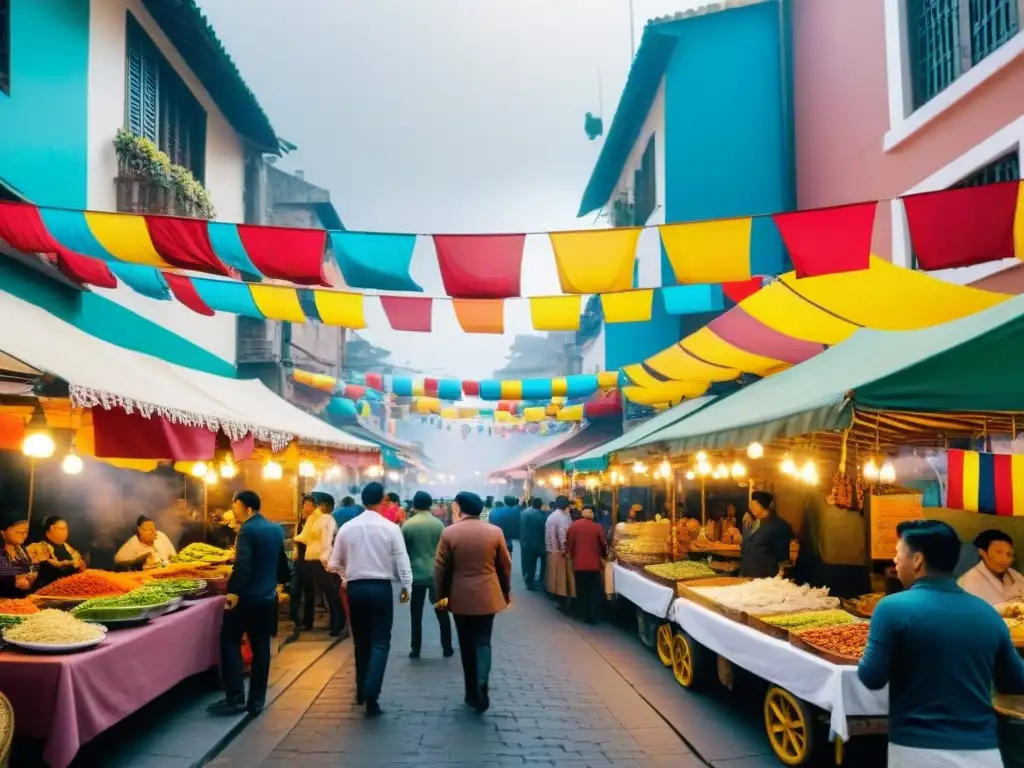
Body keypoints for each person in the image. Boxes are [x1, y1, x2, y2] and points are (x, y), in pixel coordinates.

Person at [859, 520, 1024, 767]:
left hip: (916, 751)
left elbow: (872, 676)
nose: (895, 561)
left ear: (917, 560)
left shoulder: (891, 608)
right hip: (981, 752)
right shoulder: (988, 614)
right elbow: (1015, 680)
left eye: (898, 553)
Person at [327, 482, 412, 717]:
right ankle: (372, 694)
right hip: (381, 589)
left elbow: (333, 563)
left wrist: (346, 579)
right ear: (382, 500)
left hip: (356, 589)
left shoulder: (347, 528)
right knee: (381, 642)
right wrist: (407, 586)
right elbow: (403, 562)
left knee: (361, 642)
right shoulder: (391, 529)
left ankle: (360, 689)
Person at [434, 491, 512, 714]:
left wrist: (441, 596)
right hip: (487, 595)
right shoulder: (495, 532)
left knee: (466, 644)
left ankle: (470, 691)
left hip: (460, 597)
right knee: (483, 641)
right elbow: (505, 566)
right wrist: (505, 592)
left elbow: (440, 569)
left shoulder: (449, 533)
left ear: (459, 507)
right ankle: (482, 684)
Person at [209, 491, 285, 717]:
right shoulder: (275, 529)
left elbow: (243, 565)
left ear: (246, 507)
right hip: (267, 598)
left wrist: (232, 592)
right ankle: (257, 701)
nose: (234, 509)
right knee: (261, 647)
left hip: (247, 598)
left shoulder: (247, 530)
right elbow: (281, 565)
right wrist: (279, 586)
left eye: (235, 505)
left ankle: (235, 698)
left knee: (229, 640)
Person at [401, 490, 453, 658]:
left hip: (416, 576)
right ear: (430, 505)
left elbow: (403, 552)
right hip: (437, 575)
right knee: (442, 612)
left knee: (416, 614)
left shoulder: (408, 525)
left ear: (414, 505)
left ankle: (415, 649)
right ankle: (447, 647)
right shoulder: (439, 525)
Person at [564, 506, 608, 624]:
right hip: (594, 565)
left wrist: (570, 554)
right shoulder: (597, 527)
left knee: (582, 590)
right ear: (592, 515)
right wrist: (605, 555)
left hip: (579, 565)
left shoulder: (573, 526)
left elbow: (568, 543)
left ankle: (583, 613)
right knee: (595, 591)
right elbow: (603, 544)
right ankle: (594, 616)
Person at [959, 529, 1024, 607]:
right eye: (998, 552)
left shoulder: (1014, 575)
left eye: (1009, 554)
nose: (1005, 559)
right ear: (983, 552)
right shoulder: (968, 582)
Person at [287, 494, 320, 640]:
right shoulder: (301, 521)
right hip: (298, 559)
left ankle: (308, 621)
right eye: (304, 504)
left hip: (310, 561)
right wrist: (294, 549)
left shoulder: (316, 521)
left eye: (307, 504)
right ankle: (294, 619)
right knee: (294, 590)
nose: (304, 507)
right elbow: (297, 536)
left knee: (308, 592)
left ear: (314, 506)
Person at [313, 492, 345, 638]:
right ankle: (336, 624)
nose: (318, 508)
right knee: (331, 597)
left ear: (327, 506)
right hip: (328, 563)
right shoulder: (324, 520)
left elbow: (328, 544)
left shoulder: (328, 520)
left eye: (320, 505)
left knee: (333, 597)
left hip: (329, 564)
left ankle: (337, 625)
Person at [739, 491, 792, 579]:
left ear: (763, 505)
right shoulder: (750, 522)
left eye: (755, 505)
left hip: (766, 577)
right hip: (747, 574)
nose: (752, 508)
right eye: (751, 505)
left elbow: (782, 554)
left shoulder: (778, 525)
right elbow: (746, 547)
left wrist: (780, 574)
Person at [27, 516, 86, 590]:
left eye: (66, 529)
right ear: (51, 528)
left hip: (69, 591)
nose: (65, 532)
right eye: (61, 529)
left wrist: (63, 563)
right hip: (43, 591)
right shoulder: (35, 548)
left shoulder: (70, 549)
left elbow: (80, 566)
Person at [544, 496, 575, 612]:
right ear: (565, 506)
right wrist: (565, 550)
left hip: (552, 550)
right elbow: (563, 536)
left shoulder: (552, 516)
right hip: (560, 552)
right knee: (562, 580)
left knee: (555, 578)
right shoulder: (562, 517)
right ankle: (564, 605)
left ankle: (559, 601)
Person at [0, 513, 36, 598]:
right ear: (2, 532)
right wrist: (14, 581)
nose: (24, 535)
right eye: (19, 532)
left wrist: (31, 577)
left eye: (26, 532)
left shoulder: (22, 551)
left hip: (19, 600)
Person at [520, 497, 547, 591]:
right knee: (544, 564)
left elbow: (523, 529)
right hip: (543, 544)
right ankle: (542, 580)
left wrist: (523, 541)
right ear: (541, 505)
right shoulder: (545, 515)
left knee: (531, 564)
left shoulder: (525, 514)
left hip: (530, 543)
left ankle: (530, 583)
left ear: (532, 504)